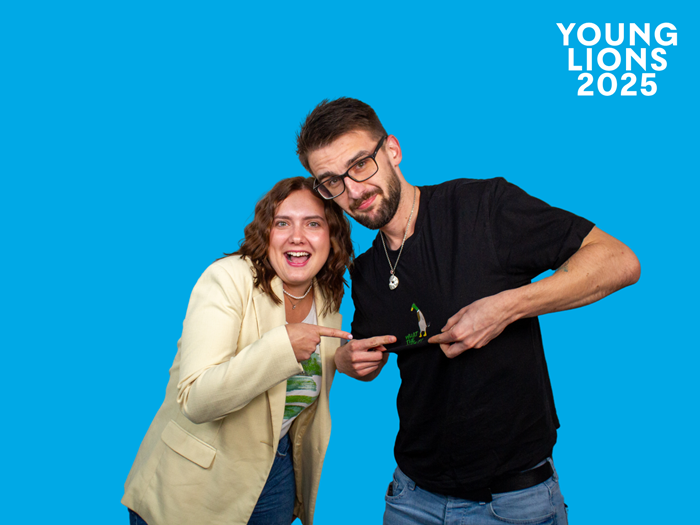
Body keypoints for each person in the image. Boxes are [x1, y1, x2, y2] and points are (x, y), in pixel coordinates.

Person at [295, 98, 641, 525]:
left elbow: (618, 260)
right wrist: (349, 362)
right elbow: (370, 355)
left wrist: (506, 307)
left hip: (513, 503)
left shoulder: (482, 206)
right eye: (332, 181)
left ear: (392, 151)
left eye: (361, 164)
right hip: (410, 499)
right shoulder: (364, 272)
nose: (353, 191)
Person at [122, 177, 354, 525]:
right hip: (196, 481)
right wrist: (281, 348)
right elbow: (197, 400)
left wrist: (342, 360)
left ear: (331, 236)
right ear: (266, 232)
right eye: (282, 223)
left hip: (276, 477)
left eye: (313, 224)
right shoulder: (227, 279)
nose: (297, 236)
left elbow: (303, 384)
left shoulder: (326, 297)